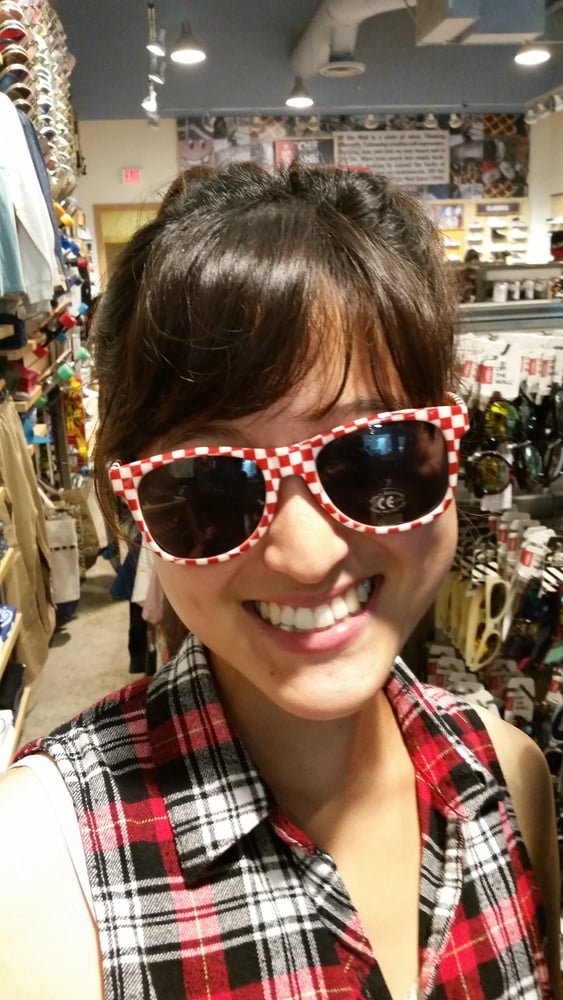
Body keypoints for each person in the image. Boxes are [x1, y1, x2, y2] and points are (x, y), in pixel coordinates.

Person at [0, 164, 560, 1000]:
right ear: (135, 510)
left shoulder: (509, 781)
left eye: (372, 456)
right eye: (208, 484)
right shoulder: (37, 874)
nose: (305, 556)